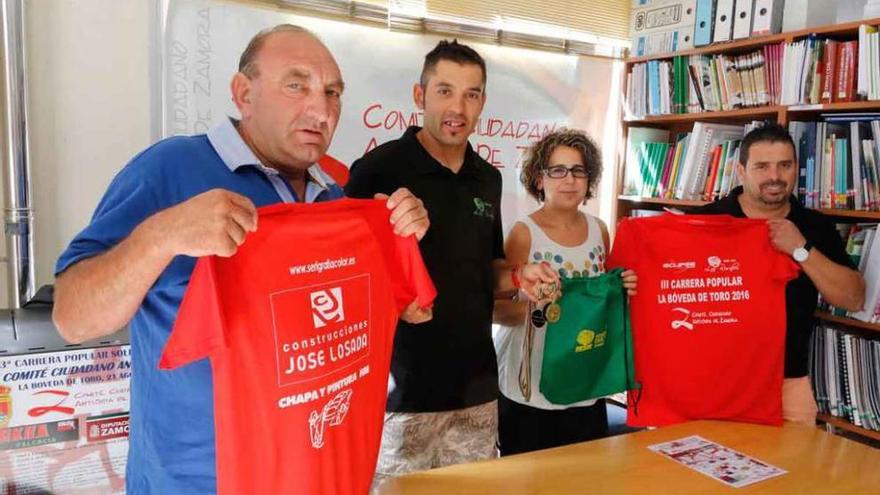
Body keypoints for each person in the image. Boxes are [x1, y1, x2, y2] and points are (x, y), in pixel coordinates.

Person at [52, 25, 432, 494]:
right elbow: (72, 317)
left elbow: (398, 314)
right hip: (193, 484)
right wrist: (163, 235)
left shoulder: (334, 199)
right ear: (243, 93)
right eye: (296, 85)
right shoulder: (169, 169)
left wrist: (395, 245)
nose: (321, 108)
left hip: (315, 477)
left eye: (333, 92)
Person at [345, 40, 558, 481]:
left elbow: (488, 266)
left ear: (483, 102)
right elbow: (347, 282)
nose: (458, 107)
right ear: (420, 96)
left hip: (476, 391)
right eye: (444, 90)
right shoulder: (376, 170)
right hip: (400, 396)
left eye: (472, 93)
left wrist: (520, 276)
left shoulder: (489, 178)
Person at [695, 123, 865, 425]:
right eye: (762, 166)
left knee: (794, 471)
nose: (775, 176)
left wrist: (801, 248)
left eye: (784, 165)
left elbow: (853, 298)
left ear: (796, 169)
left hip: (789, 385)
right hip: (712, 382)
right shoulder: (704, 222)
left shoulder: (814, 226)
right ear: (741, 170)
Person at [493, 129, 637, 455]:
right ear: (539, 179)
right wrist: (532, 303)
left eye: (578, 170)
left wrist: (621, 287)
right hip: (530, 383)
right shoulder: (524, 233)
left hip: (584, 375)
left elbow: (600, 302)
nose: (569, 180)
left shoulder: (599, 230)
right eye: (557, 170)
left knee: (582, 474)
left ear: (590, 179)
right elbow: (497, 308)